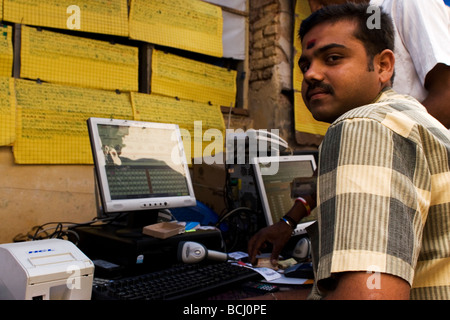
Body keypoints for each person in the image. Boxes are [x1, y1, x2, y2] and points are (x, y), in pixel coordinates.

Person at [248, 3, 450, 300]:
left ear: (383, 66)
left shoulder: (365, 125)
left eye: (333, 58)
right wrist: (289, 221)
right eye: (305, 65)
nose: (311, 75)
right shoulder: (398, 119)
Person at [307, 0, 450, 128]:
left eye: (321, 2)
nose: (315, 8)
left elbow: (447, 95)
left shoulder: (407, 3)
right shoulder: (370, 17)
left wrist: (387, 138)